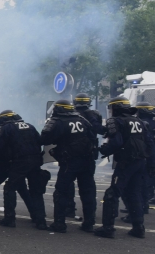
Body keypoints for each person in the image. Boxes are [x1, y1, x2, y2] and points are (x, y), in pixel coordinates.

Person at [95, 96, 154, 239]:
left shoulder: (116, 121)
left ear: (116, 108)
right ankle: (138, 228)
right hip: (140, 162)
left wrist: (102, 150)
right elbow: (149, 143)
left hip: (126, 162)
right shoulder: (140, 122)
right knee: (134, 194)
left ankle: (108, 228)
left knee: (112, 193)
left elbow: (116, 142)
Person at [41, 99, 96, 233]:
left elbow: (44, 139)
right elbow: (93, 136)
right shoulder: (82, 120)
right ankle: (89, 223)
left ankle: (59, 223)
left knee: (61, 191)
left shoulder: (58, 121)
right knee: (88, 192)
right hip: (87, 161)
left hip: (69, 162)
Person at [0, 110, 48, 229]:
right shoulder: (30, 126)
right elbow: (40, 141)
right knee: (35, 191)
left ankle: (9, 219)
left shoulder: (6, 128)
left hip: (19, 162)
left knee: (9, 188)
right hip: (35, 161)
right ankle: (40, 220)